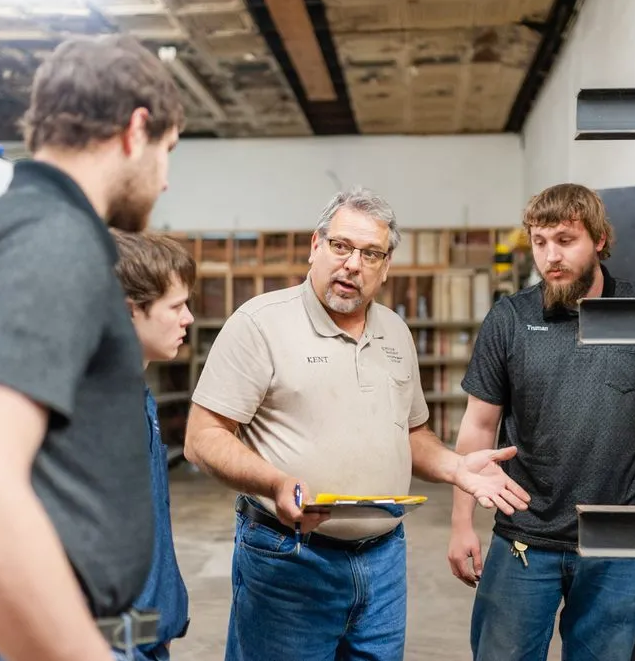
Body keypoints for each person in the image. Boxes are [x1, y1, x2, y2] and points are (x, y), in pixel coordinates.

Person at [0, 33, 184, 661]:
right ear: (136, 130)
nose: (166, 180)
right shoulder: (50, 240)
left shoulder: (23, 225)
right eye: (168, 151)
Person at [183, 186, 532, 661]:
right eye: (341, 246)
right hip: (290, 557)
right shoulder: (260, 323)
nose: (352, 264)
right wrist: (276, 481)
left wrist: (456, 468)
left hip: (384, 559)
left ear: (385, 267)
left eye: (370, 253)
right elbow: (203, 438)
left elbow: (411, 434)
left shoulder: (395, 332)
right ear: (315, 246)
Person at [447, 182, 635, 661]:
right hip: (524, 538)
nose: (550, 256)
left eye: (565, 240)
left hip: (619, 544)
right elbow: (478, 425)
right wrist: (460, 523)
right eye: (540, 242)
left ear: (599, 239)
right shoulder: (510, 319)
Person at [111, 229, 197, 661]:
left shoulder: (134, 393)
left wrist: (161, 620)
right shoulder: (103, 407)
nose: (189, 319)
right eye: (176, 306)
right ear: (130, 311)